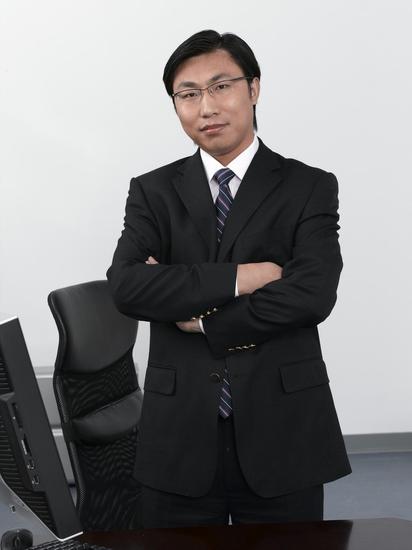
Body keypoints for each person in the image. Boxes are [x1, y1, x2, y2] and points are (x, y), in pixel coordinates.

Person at [107, 29, 351, 528]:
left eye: (221, 86)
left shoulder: (308, 186)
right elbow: (128, 287)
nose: (206, 107)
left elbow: (311, 295)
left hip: (283, 426)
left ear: (253, 88)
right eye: (188, 94)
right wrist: (244, 276)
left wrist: (204, 322)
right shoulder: (153, 191)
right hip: (178, 432)